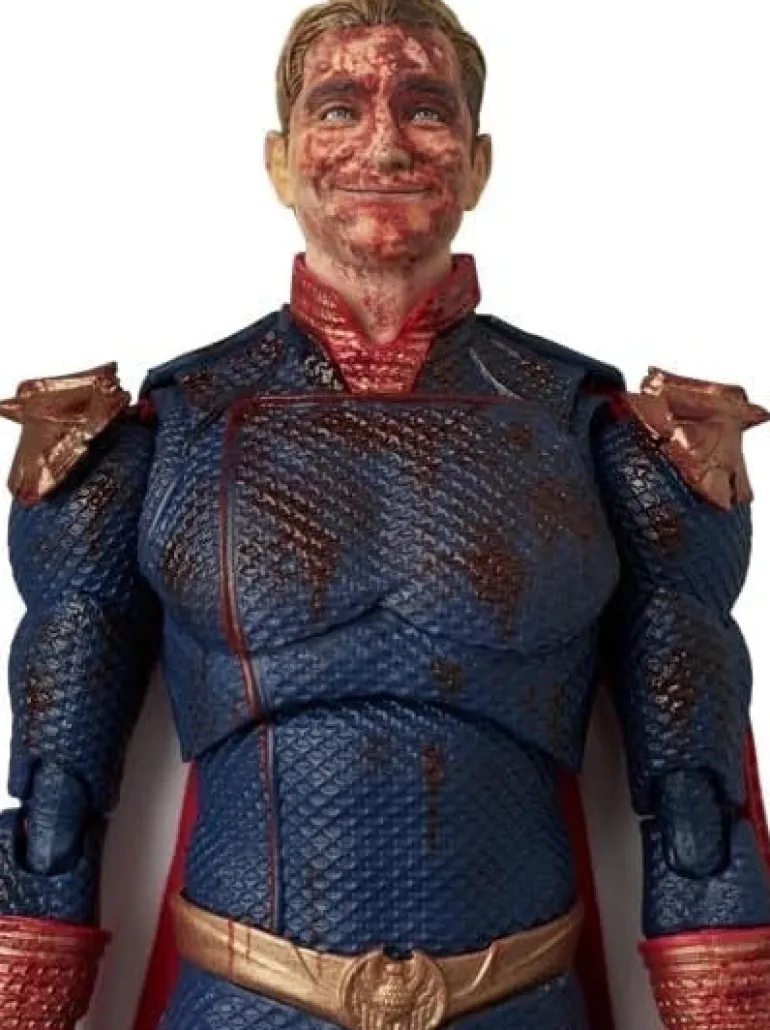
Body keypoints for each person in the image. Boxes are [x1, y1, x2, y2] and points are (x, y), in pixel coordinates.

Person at [0, 1, 769, 1027]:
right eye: (336, 110)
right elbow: (52, 818)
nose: (384, 144)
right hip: (240, 1002)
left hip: (517, 999)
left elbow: (697, 818)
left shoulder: (607, 441)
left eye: (425, 109)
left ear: (478, 162)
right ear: (278, 161)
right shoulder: (156, 437)